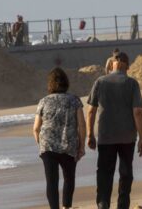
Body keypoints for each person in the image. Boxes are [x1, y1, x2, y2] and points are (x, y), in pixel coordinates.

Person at [87, 52, 142, 209]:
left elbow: (91, 111)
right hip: (127, 137)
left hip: (106, 136)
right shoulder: (132, 83)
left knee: (104, 172)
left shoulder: (100, 82)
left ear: (111, 64)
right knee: (126, 172)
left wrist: (89, 135)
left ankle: (103, 202)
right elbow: (138, 112)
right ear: (127, 66)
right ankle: (122, 205)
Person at [33, 68, 86, 209]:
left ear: (50, 84)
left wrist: (41, 143)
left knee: (51, 181)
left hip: (48, 145)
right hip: (69, 144)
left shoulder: (43, 101)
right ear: (66, 82)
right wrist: (81, 147)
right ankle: (66, 206)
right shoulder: (74, 100)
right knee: (69, 178)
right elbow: (82, 124)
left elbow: (36, 128)